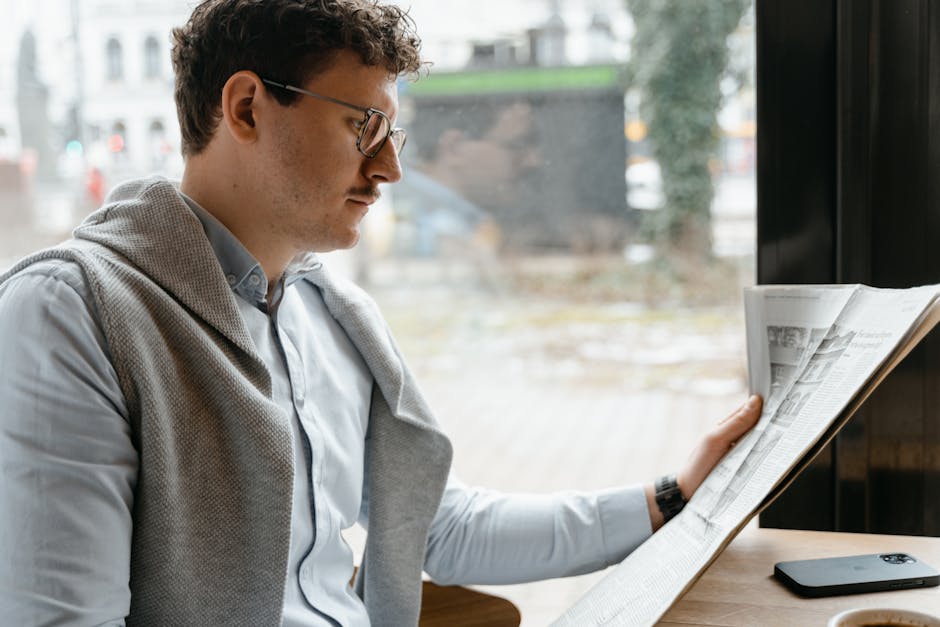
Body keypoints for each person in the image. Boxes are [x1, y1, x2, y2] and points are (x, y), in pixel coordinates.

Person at [0, 1, 762, 625]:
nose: (390, 167)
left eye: (392, 133)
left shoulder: (333, 315)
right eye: (361, 125)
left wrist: (669, 497)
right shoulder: (74, 315)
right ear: (246, 107)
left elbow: (440, 526)